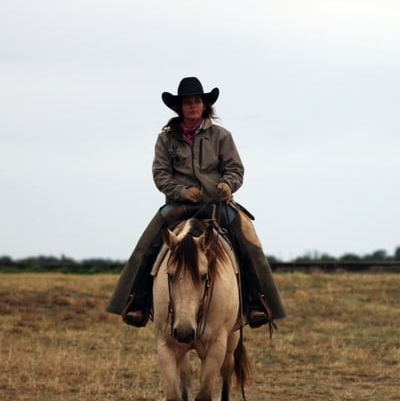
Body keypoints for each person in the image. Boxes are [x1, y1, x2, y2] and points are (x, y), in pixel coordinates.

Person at [106, 76, 286, 329]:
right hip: (179, 205)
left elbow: (235, 169)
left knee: (250, 243)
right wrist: (181, 191)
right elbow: (160, 174)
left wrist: (227, 185)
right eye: (187, 102)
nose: (192, 106)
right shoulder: (166, 139)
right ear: (179, 107)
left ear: (204, 105)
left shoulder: (222, 136)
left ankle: (258, 301)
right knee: (146, 246)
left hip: (217, 204)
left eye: (197, 101)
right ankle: (136, 302)